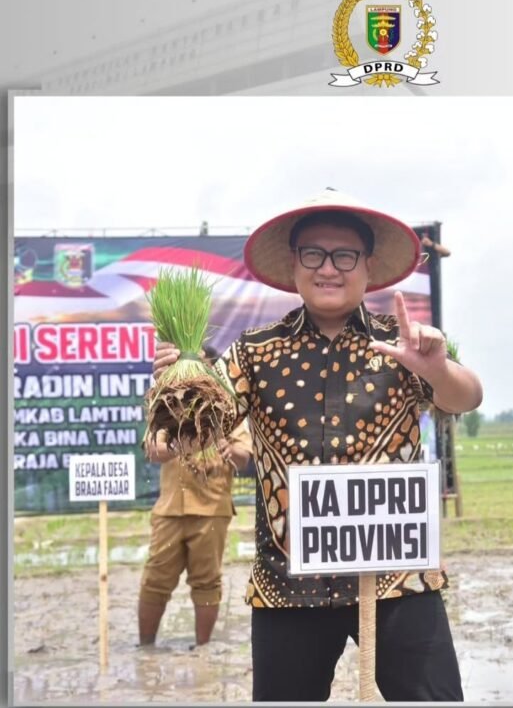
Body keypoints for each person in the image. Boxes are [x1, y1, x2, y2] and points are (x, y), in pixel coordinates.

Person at [152, 188, 483, 701]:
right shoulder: (254, 353)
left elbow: (466, 397)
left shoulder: (403, 344)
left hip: (397, 575)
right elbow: (196, 429)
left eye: (344, 255)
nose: (329, 268)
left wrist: (437, 369)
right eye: (314, 255)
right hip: (290, 585)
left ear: (368, 266)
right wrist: (177, 396)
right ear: (294, 264)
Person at [138, 345, 253, 647]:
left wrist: (230, 448)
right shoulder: (168, 405)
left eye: (202, 365)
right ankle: (145, 645)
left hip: (212, 508)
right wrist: (184, 444)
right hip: (170, 508)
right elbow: (152, 449)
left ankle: (201, 649)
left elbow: (244, 455)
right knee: (155, 578)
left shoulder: (227, 408)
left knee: (207, 581)